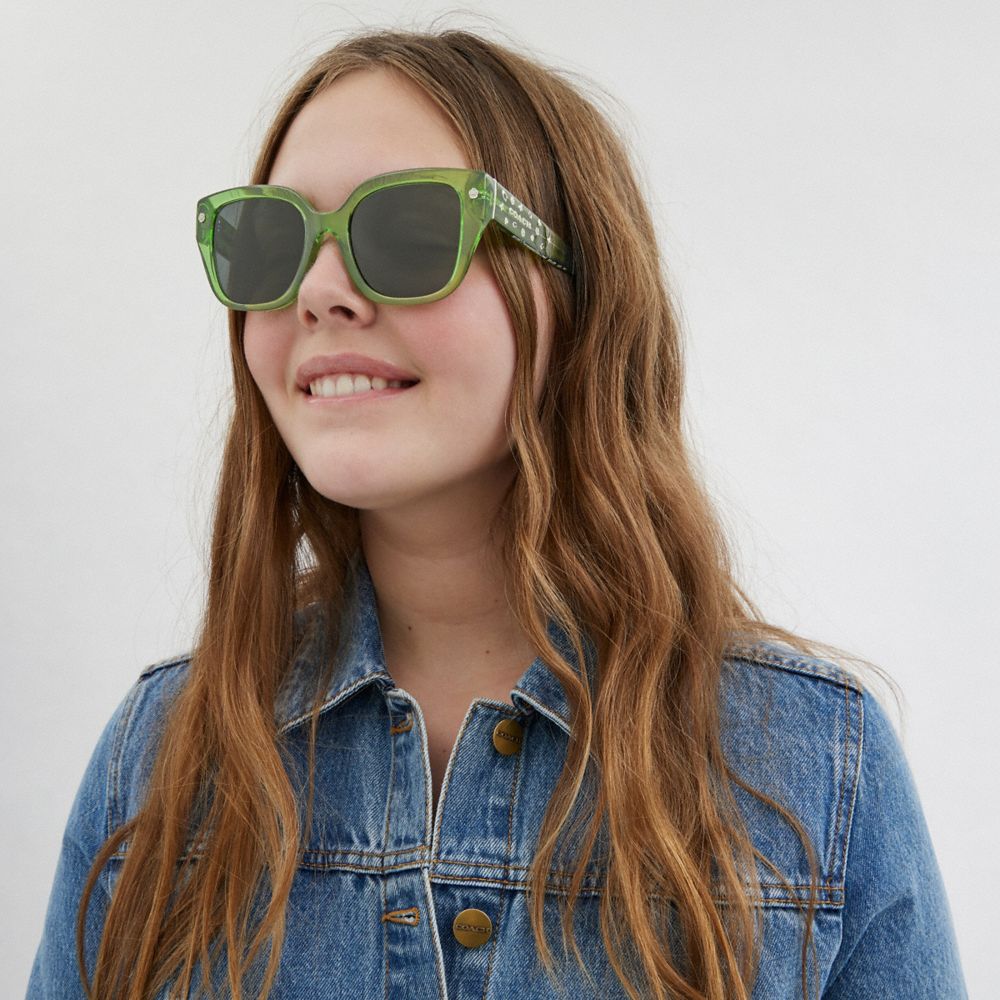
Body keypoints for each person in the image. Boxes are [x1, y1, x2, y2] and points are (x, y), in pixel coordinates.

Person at [27, 25, 968, 1000]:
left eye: (410, 232)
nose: (318, 292)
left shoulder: (813, 764)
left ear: (577, 294)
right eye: (269, 242)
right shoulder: (160, 755)